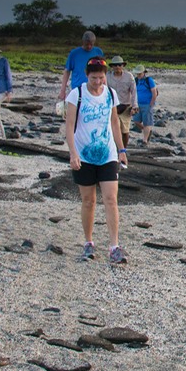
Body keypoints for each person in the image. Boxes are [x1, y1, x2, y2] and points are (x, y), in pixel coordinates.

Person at [64, 57, 129, 265]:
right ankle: (88, 242)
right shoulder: (77, 94)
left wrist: (121, 149)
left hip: (107, 154)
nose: (98, 82)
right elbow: (70, 126)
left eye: (101, 77)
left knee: (111, 199)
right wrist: (73, 153)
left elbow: (115, 123)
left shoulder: (110, 94)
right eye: (94, 78)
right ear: (86, 75)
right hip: (84, 156)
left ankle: (114, 246)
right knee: (89, 200)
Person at [58, 31, 104, 102]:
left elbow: (103, 71)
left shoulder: (98, 52)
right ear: (83, 42)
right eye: (87, 44)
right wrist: (62, 90)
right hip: (78, 88)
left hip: (95, 87)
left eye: (91, 45)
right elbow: (67, 71)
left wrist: (105, 86)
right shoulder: (74, 53)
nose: (89, 46)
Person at [106, 55, 138, 149]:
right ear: (112, 66)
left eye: (119, 65)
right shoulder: (107, 76)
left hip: (125, 106)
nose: (117, 67)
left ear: (123, 66)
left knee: (125, 130)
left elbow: (134, 91)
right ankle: (114, 149)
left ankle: (123, 149)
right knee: (113, 129)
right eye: (115, 65)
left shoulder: (129, 76)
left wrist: (135, 106)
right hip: (112, 106)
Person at [133, 66, 157, 147]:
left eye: (140, 73)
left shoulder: (149, 80)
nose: (138, 75)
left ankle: (145, 140)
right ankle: (147, 131)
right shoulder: (136, 80)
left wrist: (151, 104)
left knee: (147, 123)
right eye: (137, 74)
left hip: (147, 104)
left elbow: (154, 92)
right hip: (137, 104)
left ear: (144, 73)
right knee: (136, 121)